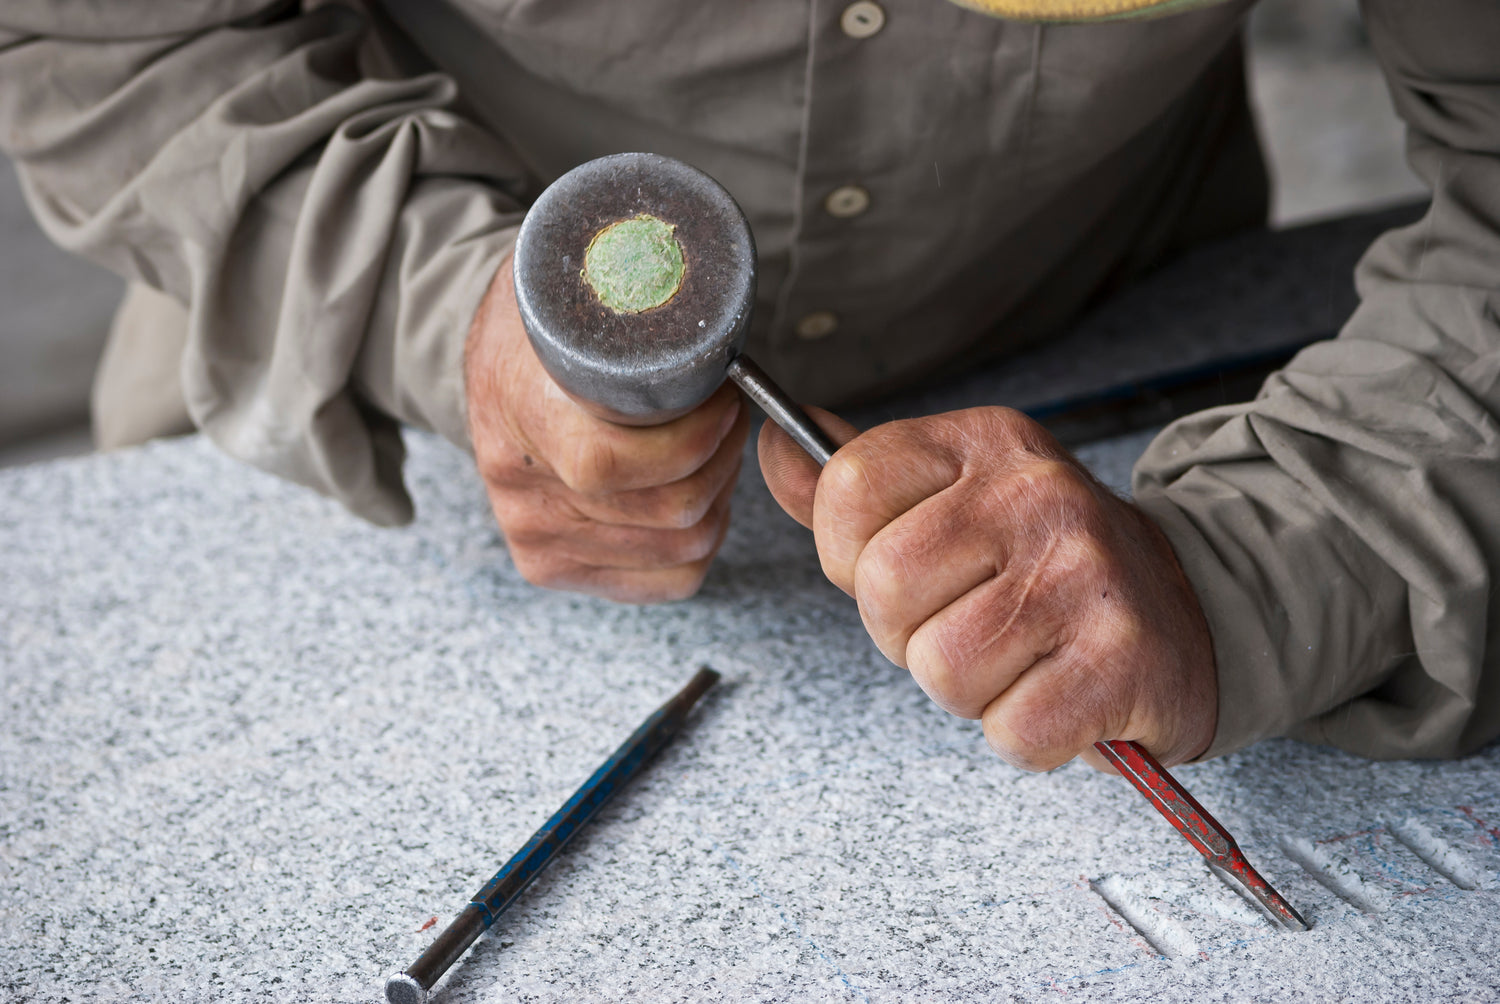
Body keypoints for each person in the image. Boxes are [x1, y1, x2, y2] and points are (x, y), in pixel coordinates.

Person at [2, 0, 1496, 772]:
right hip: (314, 379)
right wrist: (442, 304)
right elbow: (102, 34)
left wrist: (1259, 565)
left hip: (1123, 367)